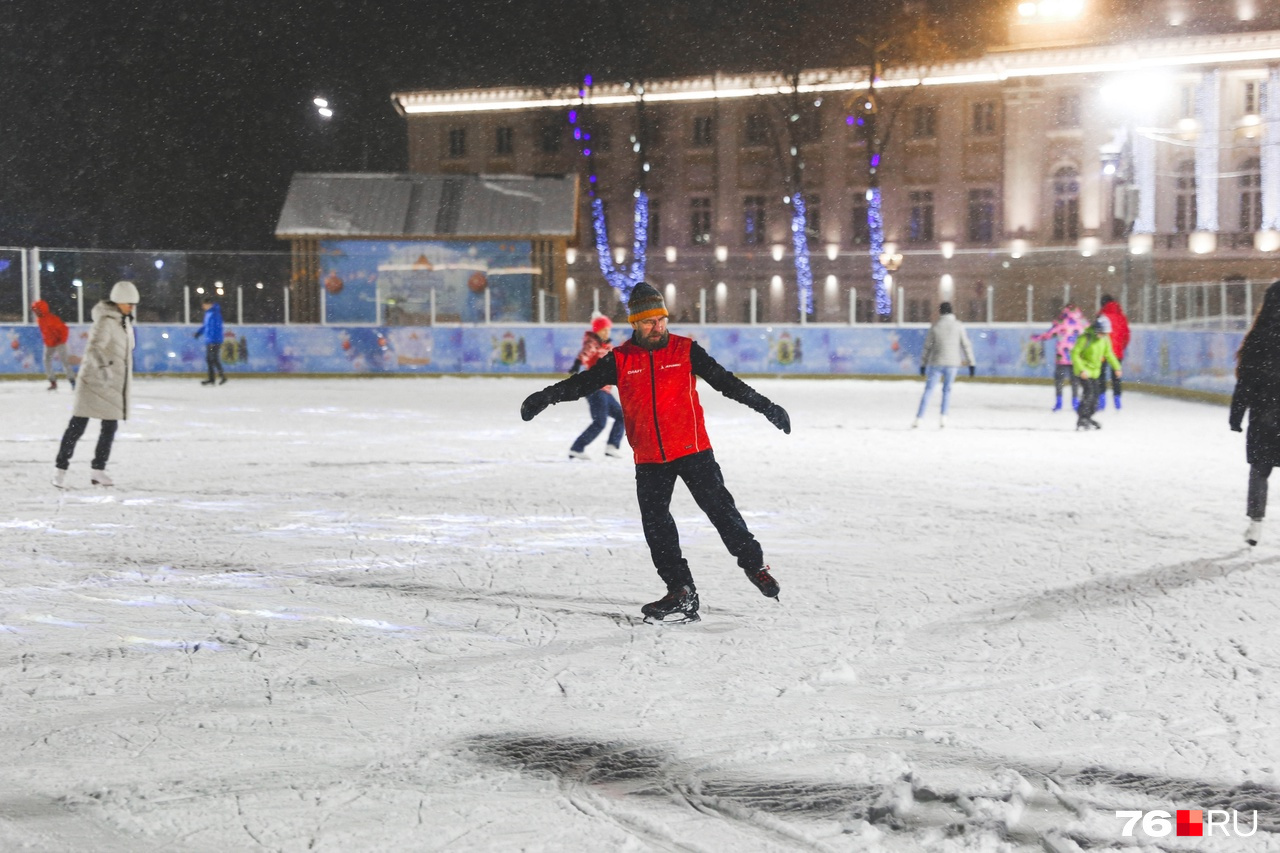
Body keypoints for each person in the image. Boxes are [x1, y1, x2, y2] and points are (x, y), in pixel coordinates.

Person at [520, 282, 791, 624]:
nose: (658, 327)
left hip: (693, 450)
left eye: (661, 319)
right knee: (657, 526)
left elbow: (727, 383)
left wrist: (766, 407)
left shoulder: (685, 350)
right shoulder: (620, 359)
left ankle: (755, 567)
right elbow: (580, 384)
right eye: (649, 322)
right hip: (649, 458)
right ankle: (681, 591)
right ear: (634, 323)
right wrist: (545, 397)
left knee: (722, 512)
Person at [53, 281, 139, 489]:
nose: (132, 307)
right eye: (129, 303)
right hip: (94, 382)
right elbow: (94, 348)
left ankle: (98, 470)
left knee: (109, 427)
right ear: (119, 301)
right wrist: (105, 368)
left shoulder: (124, 321)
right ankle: (60, 469)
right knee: (77, 427)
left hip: (112, 385)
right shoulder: (106, 321)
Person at [1229, 280, 1280, 546]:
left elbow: (1245, 382)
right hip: (1268, 414)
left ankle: (1255, 523)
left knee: (1260, 470)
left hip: (1265, 416)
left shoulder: (1257, 339)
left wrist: (1236, 415)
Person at [567, 314, 625, 460]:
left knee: (622, 416)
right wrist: (576, 364)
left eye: (608, 330)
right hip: (594, 389)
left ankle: (612, 446)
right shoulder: (593, 343)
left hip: (605, 390)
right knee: (600, 422)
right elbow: (585, 354)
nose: (607, 333)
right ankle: (577, 448)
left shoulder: (609, 347)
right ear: (597, 331)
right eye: (603, 330)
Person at [913, 301, 976, 429]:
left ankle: (919, 418)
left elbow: (927, 347)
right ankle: (943, 418)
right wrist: (971, 363)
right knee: (947, 391)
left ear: (940, 311)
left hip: (937, 362)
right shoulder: (958, 326)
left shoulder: (935, 326)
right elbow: (966, 345)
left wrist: (923, 364)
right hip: (953, 364)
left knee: (928, 390)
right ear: (952, 311)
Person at [1030, 303, 1086, 411]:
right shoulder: (1081, 322)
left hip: (1062, 358)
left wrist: (1037, 337)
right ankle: (1075, 402)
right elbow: (1089, 333)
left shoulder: (1061, 322)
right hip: (1076, 357)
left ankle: (1059, 402)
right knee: (1075, 381)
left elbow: (1049, 334)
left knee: (1059, 381)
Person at [1070, 315, 1122, 431]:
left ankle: (1087, 417)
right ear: (1097, 330)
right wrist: (1082, 369)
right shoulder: (1085, 338)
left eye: (1105, 333)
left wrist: (1117, 367)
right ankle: (1082, 418)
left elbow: (1109, 354)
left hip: (1095, 373)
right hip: (1083, 372)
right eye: (1102, 333)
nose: (1104, 335)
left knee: (1096, 398)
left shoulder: (1104, 339)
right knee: (1089, 394)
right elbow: (1074, 354)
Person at [32, 299, 75, 391]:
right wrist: (48, 341)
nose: (35, 312)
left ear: (42, 309)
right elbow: (46, 333)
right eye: (35, 310)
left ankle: (72, 381)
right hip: (49, 344)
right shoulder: (40, 320)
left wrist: (61, 340)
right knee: (46, 361)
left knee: (65, 361)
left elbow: (64, 329)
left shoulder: (52, 319)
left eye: (37, 309)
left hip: (59, 342)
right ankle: (53, 382)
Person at [1097, 294, 1130, 410]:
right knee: (1116, 376)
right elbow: (1126, 334)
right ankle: (1117, 400)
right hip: (1117, 351)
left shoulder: (1102, 316)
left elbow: (1096, 335)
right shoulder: (1121, 317)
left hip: (1102, 351)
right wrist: (1122, 347)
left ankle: (1101, 399)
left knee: (1100, 375)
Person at [193, 296, 226, 385]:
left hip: (214, 340)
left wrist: (213, 341)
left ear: (209, 304)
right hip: (209, 340)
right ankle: (213, 378)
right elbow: (205, 326)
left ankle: (220, 377)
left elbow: (215, 328)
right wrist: (198, 333)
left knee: (213, 358)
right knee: (210, 359)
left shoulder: (215, 314)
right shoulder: (208, 314)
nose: (202, 307)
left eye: (204, 305)